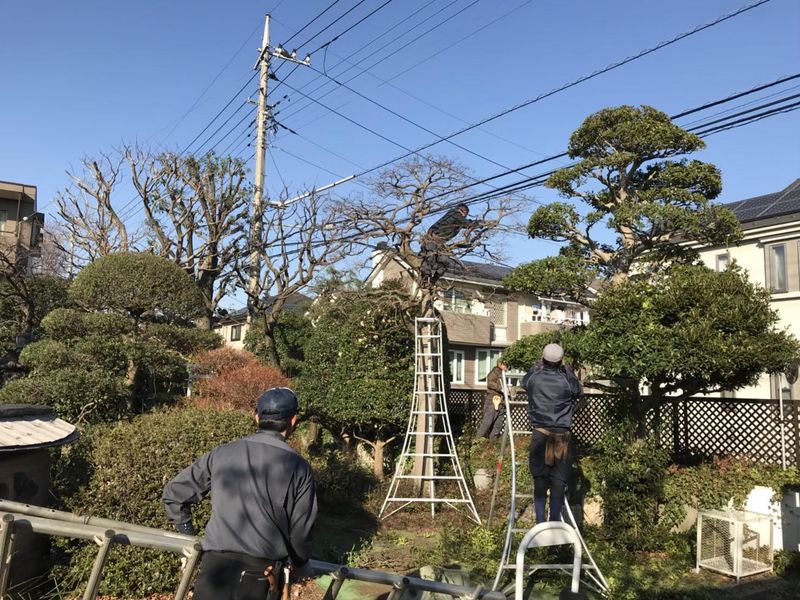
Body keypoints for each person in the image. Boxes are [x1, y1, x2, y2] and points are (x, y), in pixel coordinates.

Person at [162, 387, 317, 600]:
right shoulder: (299, 467)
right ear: (293, 421)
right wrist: (300, 563)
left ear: (256, 418)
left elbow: (175, 493)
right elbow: (301, 532)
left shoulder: (222, 453)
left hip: (214, 570)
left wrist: (188, 535)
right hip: (262, 575)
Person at [525, 343, 583, 523]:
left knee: (540, 480)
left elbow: (524, 381)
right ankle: (555, 521)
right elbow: (578, 391)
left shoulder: (534, 378)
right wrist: (568, 371)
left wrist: (536, 366)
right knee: (559, 482)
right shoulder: (566, 380)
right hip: (561, 437)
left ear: (543, 359)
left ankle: (540, 522)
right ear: (561, 361)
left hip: (540, 434)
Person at [420, 203, 480, 282]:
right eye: (466, 214)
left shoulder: (457, 218)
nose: (465, 216)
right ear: (463, 211)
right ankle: (424, 279)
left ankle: (433, 280)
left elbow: (466, 223)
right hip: (432, 239)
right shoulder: (454, 213)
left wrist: (476, 223)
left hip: (440, 243)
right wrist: (476, 224)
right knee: (430, 259)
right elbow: (467, 224)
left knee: (445, 261)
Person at [476, 360, 508, 439]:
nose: (507, 367)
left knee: (498, 425)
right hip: (492, 401)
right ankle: (477, 441)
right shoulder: (494, 373)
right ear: (500, 364)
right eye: (506, 365)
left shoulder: (503, 374)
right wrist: (501, 388)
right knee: (487, 423)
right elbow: (490, 383)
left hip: (501, 402)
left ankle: (492, 443)